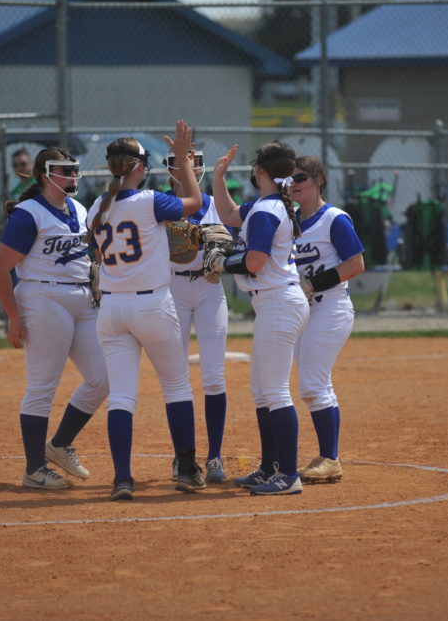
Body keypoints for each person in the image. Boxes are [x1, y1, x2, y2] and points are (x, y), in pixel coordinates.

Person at [84, 121, 208, 501]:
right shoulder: (149, 200)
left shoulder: (95, 208)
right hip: (152, 303)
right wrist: (184, 161)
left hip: (111, 307)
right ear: (139, 167)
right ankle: (186, 469)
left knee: (122, 396)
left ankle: (122, 479)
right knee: (176, 386)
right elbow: (195, 203)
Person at [0, 147, 110, 490]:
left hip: (83, 299)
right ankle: (34, 469)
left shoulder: (79, 208)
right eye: (63, 170)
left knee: (104, 377)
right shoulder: (28, 213)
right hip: (43, 298)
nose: (71, 176)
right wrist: (13, 315)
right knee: (43, 385)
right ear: (45, 175)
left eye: (73, 169)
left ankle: (59, 444)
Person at [208, 140, 309, 496]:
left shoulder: (268, 210)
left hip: (278, 302)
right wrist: (218, 177)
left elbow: (255, 262)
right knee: (262, 391)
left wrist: (221, 263)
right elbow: (228, 214)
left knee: (275, 391)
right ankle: (271, 467)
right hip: (274, 302)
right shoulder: (269, 204)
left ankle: (289, 475)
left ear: (260, 171)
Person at [290, 155, 366, 483]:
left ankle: (330, 458)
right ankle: (328, 456)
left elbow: (356, 264)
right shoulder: (289, 219)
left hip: (330, 307)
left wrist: (313, 284)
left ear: (318, 180)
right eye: (289, 180)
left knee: (312, 384)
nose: (293, 184)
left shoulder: (334, 219)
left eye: (300, 178)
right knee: (315, 382)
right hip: (302, 311)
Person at [164, 149, 230, 483]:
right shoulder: (161, 204)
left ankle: (215, 456)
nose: (190, 168)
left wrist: (223, 253)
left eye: (195, 162)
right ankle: (183, 457)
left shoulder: (215, 203)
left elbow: (233, 239)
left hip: (209, 287)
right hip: (171, 288)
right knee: (176, 377)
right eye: (182, 162)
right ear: (170, 167)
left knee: (214, 377)